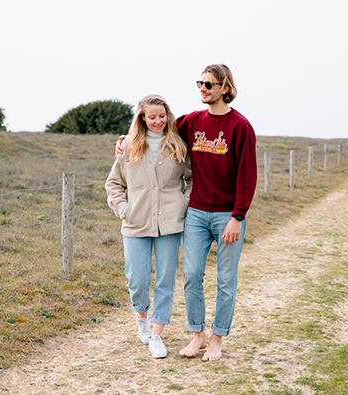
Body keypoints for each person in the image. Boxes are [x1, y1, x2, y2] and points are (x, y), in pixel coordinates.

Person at [116, 64, 257, 362]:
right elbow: (154, 127)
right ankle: (198, 336)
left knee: (226, 279)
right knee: (192, 275)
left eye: (208, 84)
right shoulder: (192, 122)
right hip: (195, 214)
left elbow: (248, 176)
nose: (202, 89)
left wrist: (238, 216)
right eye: (200, 84)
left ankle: (217, 338)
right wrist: (125, 141)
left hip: (227, 216)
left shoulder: (240, 127)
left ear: (225, 88)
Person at [105, 94, 192, 359]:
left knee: (166, 280)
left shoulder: (178, 145)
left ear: (168, 115)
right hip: (135, 223)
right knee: (138, 279)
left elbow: (192, 179)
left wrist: (183, 203)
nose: (158, 121)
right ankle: (141, 317)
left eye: (162, 116)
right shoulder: (129, 146)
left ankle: (157, 334)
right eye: (152, 117)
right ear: (142, 118)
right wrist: (124, 209)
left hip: (170, 223)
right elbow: (113, 184)